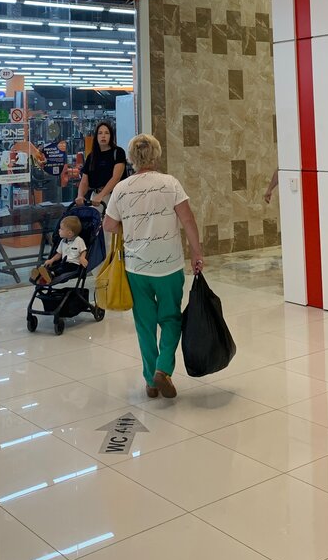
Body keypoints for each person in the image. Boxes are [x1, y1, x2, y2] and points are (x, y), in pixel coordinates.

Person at [104, 134, 204, 400]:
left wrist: (131, 225)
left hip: (136, 268)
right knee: (171, 318)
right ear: (156, 155)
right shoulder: (170, 183)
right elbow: (188, 219)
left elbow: (109, 225)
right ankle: (163, 369)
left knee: (145, 324)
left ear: (131, 158)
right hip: (168, 265)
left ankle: (150, 381)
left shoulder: (121, 188)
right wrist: (196, 252)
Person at [76, 122, 126, 209]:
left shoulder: (118, 152)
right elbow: (84, 180)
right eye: (100, 133)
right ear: (96, 136)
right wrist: (80, 195)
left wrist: (101, 195)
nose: (103, 136)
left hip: (113, 196)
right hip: (95, 197)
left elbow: (116, 178)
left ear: (111, 136)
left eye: (106, 133)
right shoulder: (91, 156)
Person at [29, 215, 87, 284]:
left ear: (69, 233)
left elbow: (83, 250)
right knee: (55, 267)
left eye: (61, 229)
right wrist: (51, 260)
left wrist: (82, 257)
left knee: (62, 269)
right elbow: (59, 254)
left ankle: (50, 275)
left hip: (74, 265)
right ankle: (39, 275)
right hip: (63, 263)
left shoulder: (79, 240)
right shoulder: (62, 241)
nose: (59, 230)